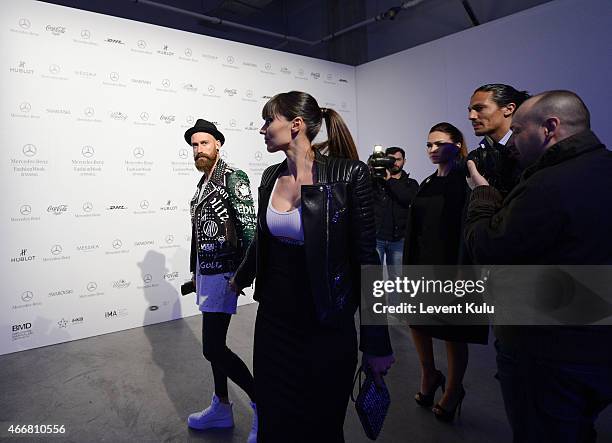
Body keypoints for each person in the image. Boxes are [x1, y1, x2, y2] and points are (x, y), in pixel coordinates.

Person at [230, 91, 394, 442]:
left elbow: (367, 260)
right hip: (274, 323)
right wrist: (241, 277)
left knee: (321, 425)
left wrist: (377, 342)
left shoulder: (349, 174)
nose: (262, 129)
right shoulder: (270, 177)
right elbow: (264, 239)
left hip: (326, 323)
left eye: (268, 120)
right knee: (275, 421)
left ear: (296, 125)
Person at [465, 90, 612, 442]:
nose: (513, 141)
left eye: (517, 131)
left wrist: (483, 196)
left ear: (550, 128)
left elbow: (488, 248)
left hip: (548, 352)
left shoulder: (548, 185)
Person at [403, 122, 488, 422]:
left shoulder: (466, 182)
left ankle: (453, 389)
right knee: (416, 322)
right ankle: (429, 374)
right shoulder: (426, 183)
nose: (433, 149)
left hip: (453, 268)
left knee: (454, 331)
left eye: (440, 143)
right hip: (421, 267)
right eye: (429, 144)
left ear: (457, 145)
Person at [185, 119, 258, 442]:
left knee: (212, 348)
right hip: (206, 274)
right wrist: (194, 272)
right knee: (215, 349)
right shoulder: (203, 183)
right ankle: (222, 406)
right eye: (194, 145)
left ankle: (262, 403)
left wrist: (243, 275)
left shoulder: (232, 177)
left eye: (204, 143)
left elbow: (249, 228)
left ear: (218, 144)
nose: (199, 150)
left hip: (225, 275)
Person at [467, 83, 530, 196]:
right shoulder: (476, 158)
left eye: (479, 108)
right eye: (470, 110)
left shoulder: (531, 152)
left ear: (509, 109)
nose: (471, 116)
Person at [372, 146, 418, 272]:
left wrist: (389, 180)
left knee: (397, 280)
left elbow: (407, 199)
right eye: (391, 159)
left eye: (398, 159)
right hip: (376, 237)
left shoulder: (411, 183)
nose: (395, 163)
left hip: (399, 239)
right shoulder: (375, 181)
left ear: (404, 161)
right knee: (373, 278)